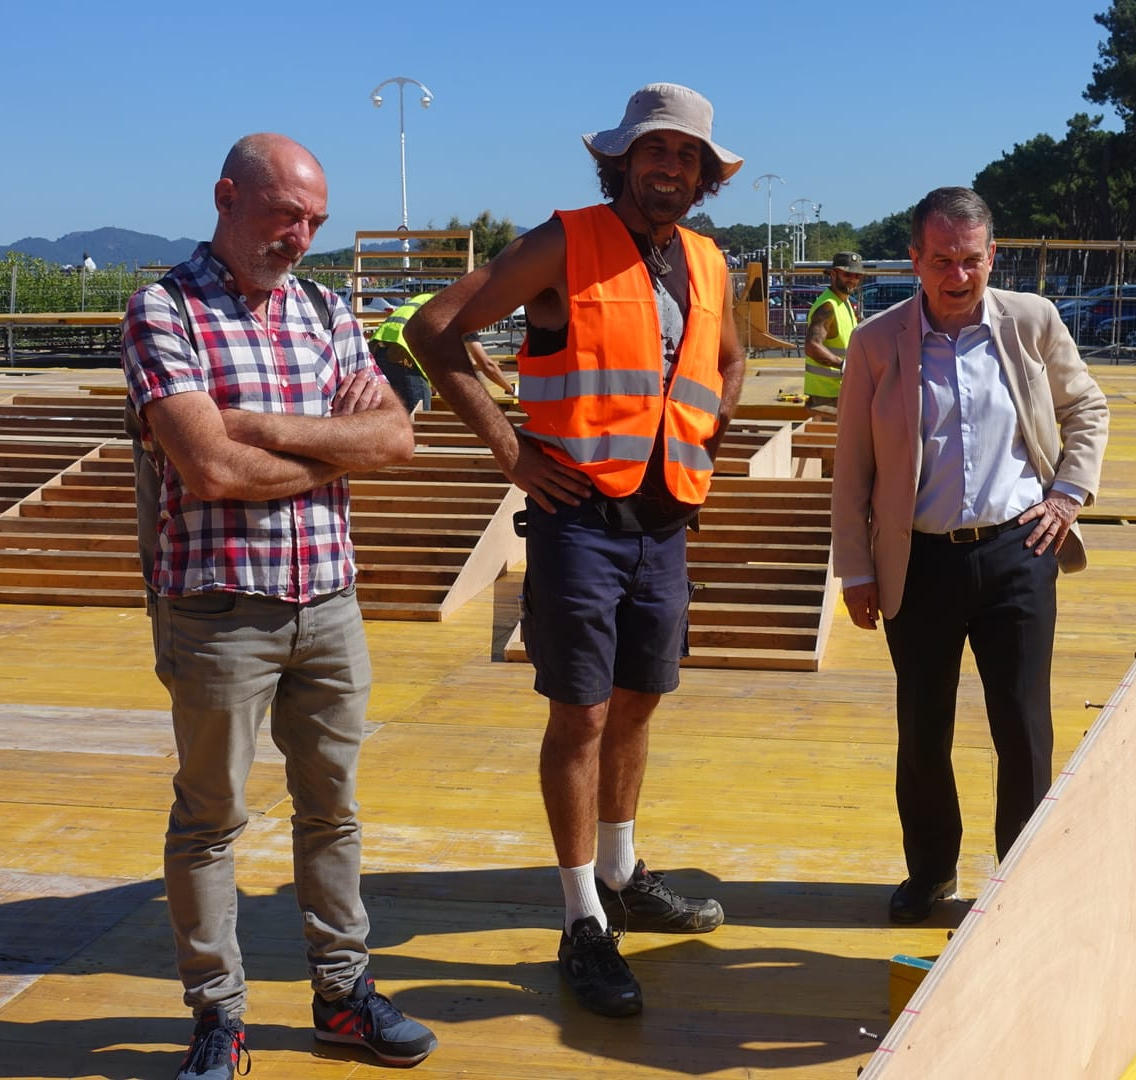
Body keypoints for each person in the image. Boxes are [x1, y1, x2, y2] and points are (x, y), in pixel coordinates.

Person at [405, 83, 746, 1017]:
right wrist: (512, 452)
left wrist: (703, 446)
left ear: (705, 175)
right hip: (581, 520)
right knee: (582, 716)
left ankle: (626, 869)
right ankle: (581, 917)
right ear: (622, 159)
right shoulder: (564, 240)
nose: (669, 167)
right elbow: (433, 329)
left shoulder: (712, 263)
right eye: (654, 151)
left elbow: (729, 362)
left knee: (640, 700)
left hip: (666, 517)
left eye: (687, 157)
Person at [121, 133, 436, 1079]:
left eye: (315, 223)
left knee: (332, 811)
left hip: (328, 602)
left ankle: (343, 995)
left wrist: (253, 426)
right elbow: (204, 466)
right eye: (284, 215)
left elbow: (395, 440)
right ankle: (218, 1013)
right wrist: (327, 447)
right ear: (226, 197)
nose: (300, 238)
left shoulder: (324, 309)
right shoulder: (162, 311)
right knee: (211, 819)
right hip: (220, 612)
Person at [830, 187, 1110, 924]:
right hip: (917, 563)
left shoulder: (1030, 322)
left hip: (1019, 550)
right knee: (923, 727)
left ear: (994, 256)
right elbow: (852, 466)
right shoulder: (877, 342)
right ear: (915, 260)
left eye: (973, 260)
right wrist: (855, 568)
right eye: (942, 260)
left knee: (1022, 724)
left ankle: (1024, 881)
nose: (959, 276)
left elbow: (1086, 407)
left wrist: (1068, 494)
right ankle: (930, 873)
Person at [370, 292, 514, 413]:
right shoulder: (461, 313)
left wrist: (433, 384)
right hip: (402, 356)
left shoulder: (430, 299)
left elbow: (432, 348)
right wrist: (511, 389)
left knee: (394, 416)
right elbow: (486, 364)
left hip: (378, 351)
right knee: (418, 423)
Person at [803, 251, 868, 410]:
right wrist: (844, 365)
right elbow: (812, 346)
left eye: (857, 276)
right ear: (833, 274)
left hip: (838, 391)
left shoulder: (844, 303)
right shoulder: (828, 306)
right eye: (847, 274)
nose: (852, 280)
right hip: (826, 395)